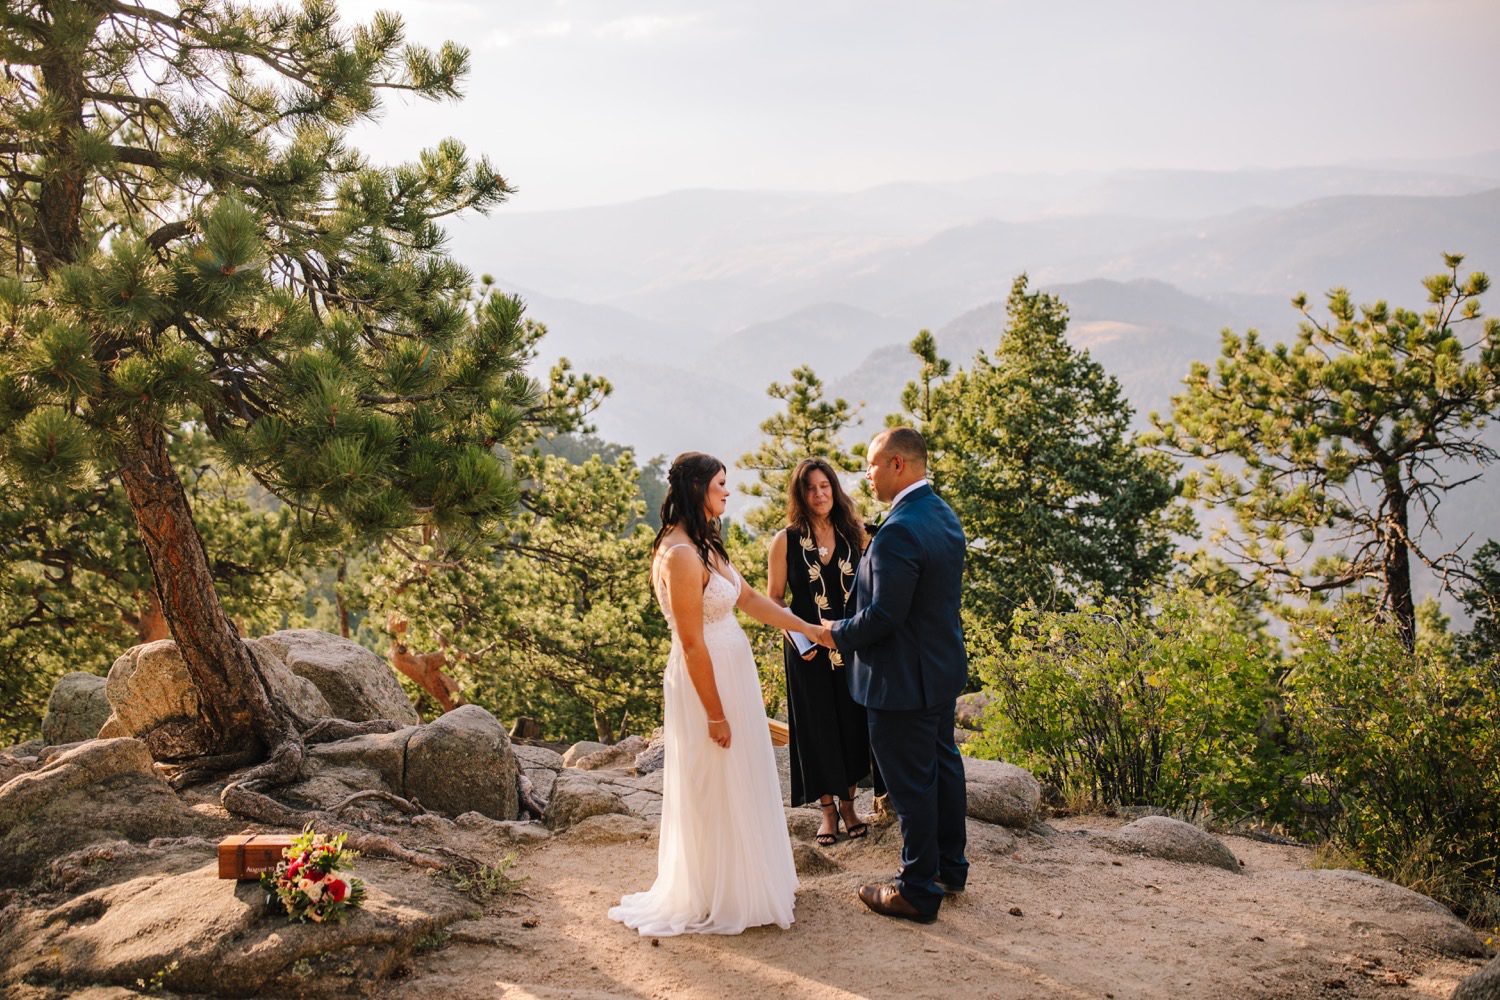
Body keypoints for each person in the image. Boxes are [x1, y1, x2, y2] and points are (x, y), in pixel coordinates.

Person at [609, 452, 821, 936]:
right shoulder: (681, 554)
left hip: (732, 673)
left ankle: (751, 882)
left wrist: (810, 628)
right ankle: (720, 893)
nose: (728, 492)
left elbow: (748, 600)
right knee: (717, 780)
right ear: (699, 487)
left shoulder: (707, 544)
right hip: (708, 682)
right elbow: (689, 642)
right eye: (722, 484)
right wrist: (715, 715)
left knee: (740, 776)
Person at [811, 427, 969, 924]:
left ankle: (917, 889)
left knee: (911, 786)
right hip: (938, 671)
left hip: (901, 681)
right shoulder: (941, 513)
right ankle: (950, 867)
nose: (866, 474)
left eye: (872, 465)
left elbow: (884, 617)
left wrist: (834, 632)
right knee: (943, 768)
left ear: (898, 464)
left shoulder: (901, 528)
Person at [767, 457, 877, 846]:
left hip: (850, 647)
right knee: (815, 728)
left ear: (835, 488)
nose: (820, 494)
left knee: (850, 722)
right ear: (801, 494)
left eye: (825, 486)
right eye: (811, 488)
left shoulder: (855, 534)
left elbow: (875, 587)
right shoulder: (786, 540)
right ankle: (828, 812)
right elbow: (775, 599)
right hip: (806, 651)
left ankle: (850, 806)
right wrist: (797, 639)